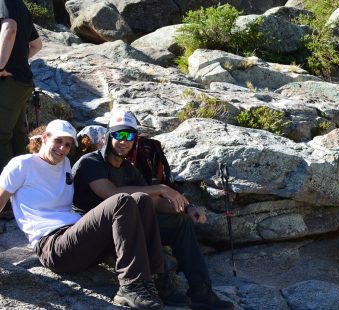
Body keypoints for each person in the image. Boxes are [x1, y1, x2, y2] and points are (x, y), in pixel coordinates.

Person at [72, 111, 234, 310]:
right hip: (95, 231)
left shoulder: (129, 170)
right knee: (135, 207)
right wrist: (161, 188)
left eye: (130, 136)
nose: (124, 141)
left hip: (127, 228)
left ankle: (201, 291)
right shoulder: (90, 162)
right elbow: (110, 193)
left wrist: (186, 208)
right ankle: (156, 282)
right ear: (108, 137)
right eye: (119, 135)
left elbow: (156, 203)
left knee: (180, 223)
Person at [0, 119, 167, 310]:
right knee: (121, 200)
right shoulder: (22, 164)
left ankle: (154, 279)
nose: (63, 148)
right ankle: (130, 286)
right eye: (58, 141)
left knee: (141, 199)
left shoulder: (64, 166)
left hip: (78, 239)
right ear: (45, 138)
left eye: (68, 144)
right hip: (54, 247)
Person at [0, 0, 42, 172]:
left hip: (8, 83)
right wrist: (18, 62)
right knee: (18, 138)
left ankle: (5, 193)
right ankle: (23, 184)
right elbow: (37, 45)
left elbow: (9, 29)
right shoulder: (20, 6)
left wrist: (2, 66)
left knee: (1, 136)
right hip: (22, 83)